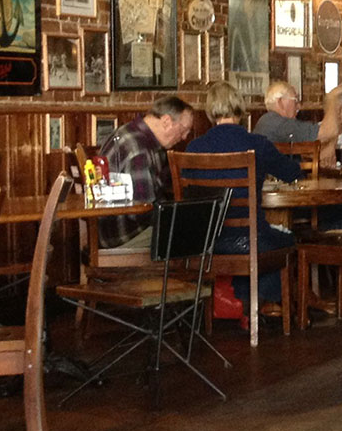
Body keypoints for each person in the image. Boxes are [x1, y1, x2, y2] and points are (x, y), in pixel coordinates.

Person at [184, 80, 301, 301]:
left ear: (210, 111)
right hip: (251, 239)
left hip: (208, 241)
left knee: (268, 239)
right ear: (240, 107)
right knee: (289, 240)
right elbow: (292, 172)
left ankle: (240, 301)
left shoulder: (194, 148)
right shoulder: (257, 144)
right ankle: (264, 302)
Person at [97, 94, 196, 252]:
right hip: (124, 236)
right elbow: (143, 210)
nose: (184, 137)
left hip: (109, 232)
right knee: (196, 234)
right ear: (166, 121)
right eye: (184, 130)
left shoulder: (130, 133)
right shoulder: (139, 150)